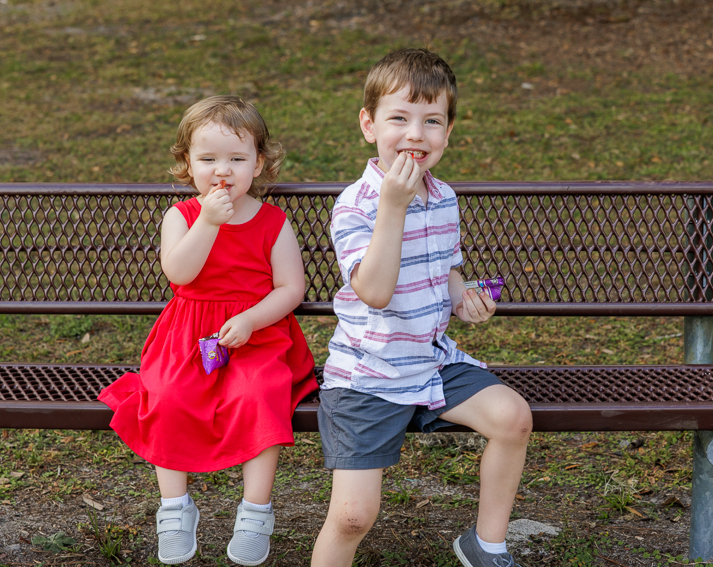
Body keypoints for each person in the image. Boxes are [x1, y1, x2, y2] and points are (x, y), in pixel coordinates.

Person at [311, 49, 533, 567]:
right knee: (352, 517)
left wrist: (463, 298)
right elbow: (375, 291)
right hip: (367, 373)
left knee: (512, 418)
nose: (416, 134)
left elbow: (446, 268)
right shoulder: (356, 205)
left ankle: (487, 545)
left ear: (448, 133)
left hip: (431, 362)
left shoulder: (445, 197)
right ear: (369, 125)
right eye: (399, 118)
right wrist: (393, 206)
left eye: (431, 121)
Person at [99, 95, 317, 566]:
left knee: (259, 395)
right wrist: (210, 224)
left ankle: (256, 509)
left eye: (237, 159)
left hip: (256, 334)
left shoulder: (272, 222)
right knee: (168, 396)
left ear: (258, 164)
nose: (223, 170)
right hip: (188, 332)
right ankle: (175, 507)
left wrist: (253, 318)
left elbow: (291, 287)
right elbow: (180, 273)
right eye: (209, 159)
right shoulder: (182, 217)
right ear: (187, 164)